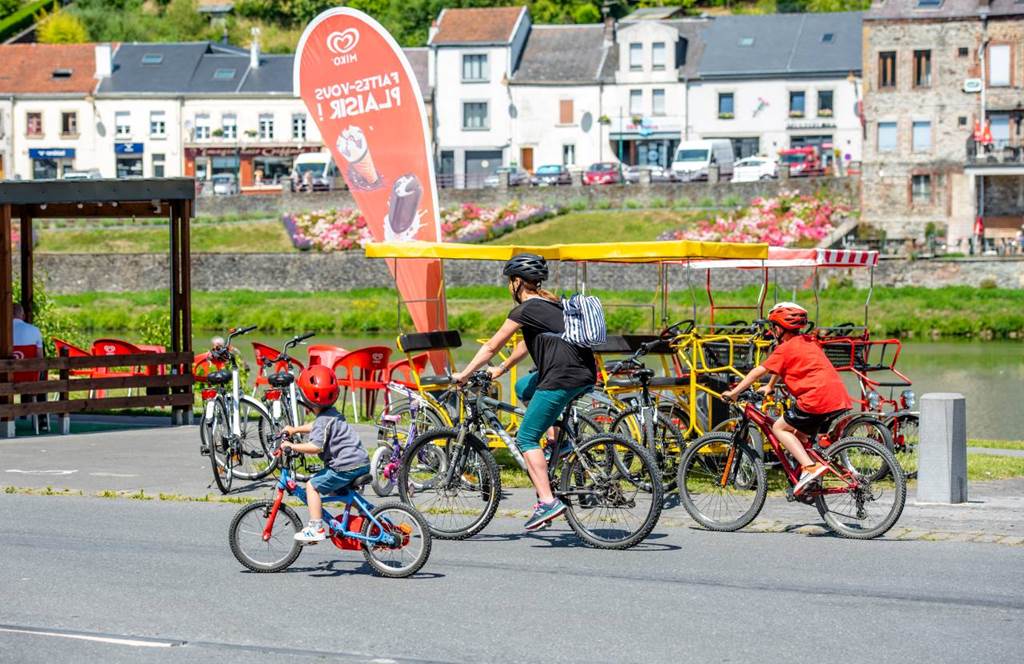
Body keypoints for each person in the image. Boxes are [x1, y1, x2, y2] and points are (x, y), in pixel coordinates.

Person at [452, 254, 597, 531]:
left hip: (561, 377)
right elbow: (526, 344)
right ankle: (556, 442)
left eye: (510, 281)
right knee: (523, 387)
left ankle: (548, 502)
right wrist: (502, 368)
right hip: (584, 373)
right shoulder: (552, 304)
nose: (509, 286)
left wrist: (465, 374)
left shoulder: (524, 310)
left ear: (517, 282)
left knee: (526, 437)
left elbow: (491, 346)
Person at [722, 302, 852, 495]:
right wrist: (770, 386)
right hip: (837, 397)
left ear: (778, 329)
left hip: (814, 399)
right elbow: (781, 367)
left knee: (779, 428)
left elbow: (758, 371)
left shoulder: (784, 349)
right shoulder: (809, 341)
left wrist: (734, 393)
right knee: (799, 436)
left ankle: (810, 468)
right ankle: (810, 481)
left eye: (773, 327)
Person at [280, 365, 370, 543]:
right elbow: (316, 426)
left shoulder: (323, 420)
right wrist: (295, 429)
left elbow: (316, 447)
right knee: (338, 490)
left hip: (345, 466)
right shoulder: (332, 414)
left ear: (305, 397)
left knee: (312, 485)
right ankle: (368, 512)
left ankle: (316, 528)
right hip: (360, 461)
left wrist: (292, 446)